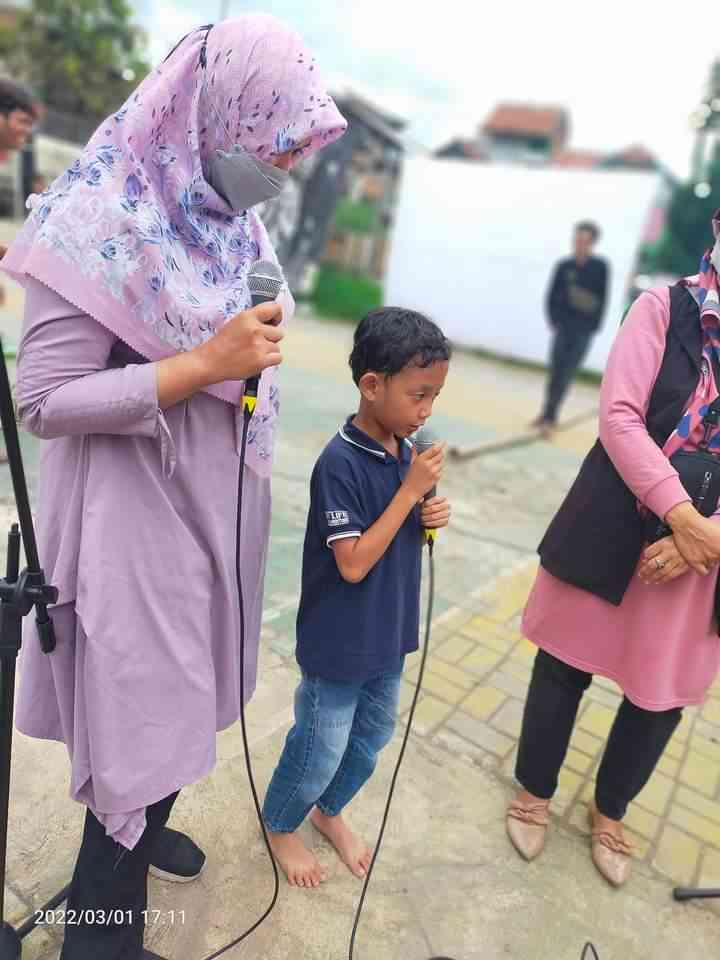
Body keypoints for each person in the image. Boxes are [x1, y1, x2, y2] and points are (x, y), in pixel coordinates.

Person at [4, 16, 346, 960]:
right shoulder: (95, 219)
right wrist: (200, 364)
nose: (281, 164)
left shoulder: (226, 213)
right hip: (134, 531)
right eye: (275, 138)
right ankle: (101, 937)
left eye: (295, 147)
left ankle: (143, 830)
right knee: (137, 721)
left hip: (211, 516)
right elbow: (42, 400)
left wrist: (236, 346)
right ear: (215, 112)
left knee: (184, 704)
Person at [507, 211, 720, 888]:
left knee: (659, 693)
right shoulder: (663, 307)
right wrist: (680, 514)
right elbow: (620, 416)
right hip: (617, 520)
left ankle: (610, 812)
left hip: (706, 557)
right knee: (566, 662)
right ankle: (534, 792)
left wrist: (701, 540)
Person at [262, 308, 452, 888]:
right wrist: (411, 493)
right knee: (320, 746)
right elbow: (351, 563)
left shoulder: (406, 451)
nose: (427, 411)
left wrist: (428, 515)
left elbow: (402, 533)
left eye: (435, 396)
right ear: (372, 386)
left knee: (369, 742)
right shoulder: (339, 463)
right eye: (419, 395)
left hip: (386, 632)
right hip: (340, 641)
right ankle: (281, 821)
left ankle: (330, 809)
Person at [532, 221, 609, 438]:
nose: (579, 244)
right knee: (555, 370)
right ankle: (547, 413)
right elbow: (551, 293)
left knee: (566, 373)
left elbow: (602, 297)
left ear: (592, 243)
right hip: (562, 327)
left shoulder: (599, 267)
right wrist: (553, 319)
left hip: (583, 330)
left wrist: (594, 326)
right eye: (577, 239)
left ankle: (550, 417)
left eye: (585, 241)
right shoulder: (564, 266)